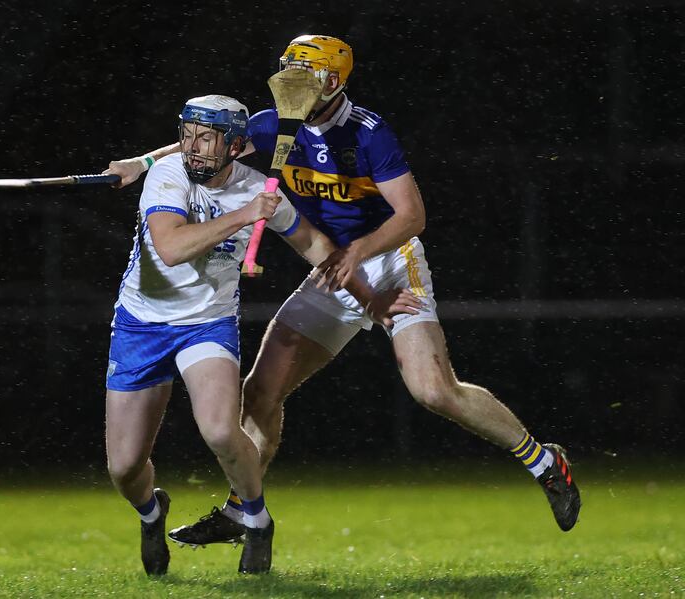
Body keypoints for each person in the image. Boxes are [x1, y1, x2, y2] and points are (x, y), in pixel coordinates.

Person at [105, 35, 581, 550]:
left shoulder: (369, 133)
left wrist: (357, 253)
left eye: (302, 76)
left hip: (389, 263)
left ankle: (543, 459)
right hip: (331, 266)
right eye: (286, 72)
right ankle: (244, 511)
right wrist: (143, 162)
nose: (290, 84)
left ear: (332, 82)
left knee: (433, 390)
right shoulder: (275, 125)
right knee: (260, 391)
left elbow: (412, 216)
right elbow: (207, 140)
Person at [105, 93, 422, 576]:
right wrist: (244, 214)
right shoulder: (167, 176)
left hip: (205, 327)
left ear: (235, 146)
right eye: (187, 136)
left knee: (219, 429)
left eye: (206, 138)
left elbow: (315, 245)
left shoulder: (259, 188)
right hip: (140, 326)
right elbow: (171, 249)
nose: (193, 148)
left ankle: (255, 520)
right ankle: (151, 512)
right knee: (124, 468)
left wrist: (370, 298)